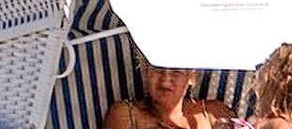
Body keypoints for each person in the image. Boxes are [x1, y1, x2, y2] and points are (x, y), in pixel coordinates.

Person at [99, 50, 236, 128]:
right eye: (157, 69)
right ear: (146, 73)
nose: (165, 80)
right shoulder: (125, 114)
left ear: (191, 77)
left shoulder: (214, 113)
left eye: (176, 72)